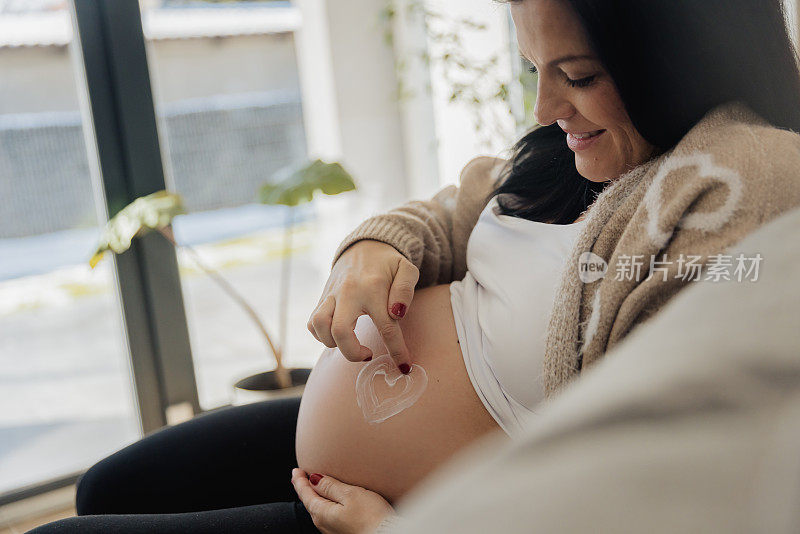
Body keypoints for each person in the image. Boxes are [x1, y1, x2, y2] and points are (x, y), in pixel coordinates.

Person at [30, 0, 800, 532]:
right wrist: (380, 246)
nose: (543, 108)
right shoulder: (582, 152)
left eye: (579, 73)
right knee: (107, 487)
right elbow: (452, 212)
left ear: (680, 55)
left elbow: (650, 494)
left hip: (423, 515)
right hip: (350, 476)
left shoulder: (745, 176)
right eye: (534, 66)